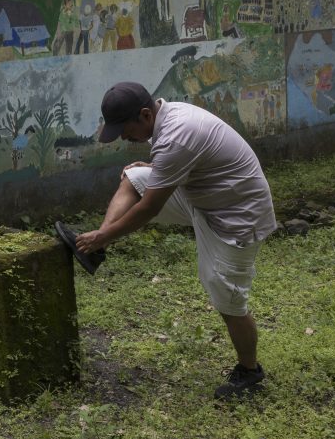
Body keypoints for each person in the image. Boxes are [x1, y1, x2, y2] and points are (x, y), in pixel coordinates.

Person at [68, 82, 276, 400]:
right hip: (206, 198)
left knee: (229, 301)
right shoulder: (170, 120)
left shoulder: (177, 135)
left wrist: (105, 232)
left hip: (236, 217)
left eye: (125, 131)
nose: (125, 138)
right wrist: (154, 168)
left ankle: (250, 372)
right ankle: (97, 250)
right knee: (135, 177)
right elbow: (189, 163)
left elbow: (149, 208)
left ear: (146, 114)